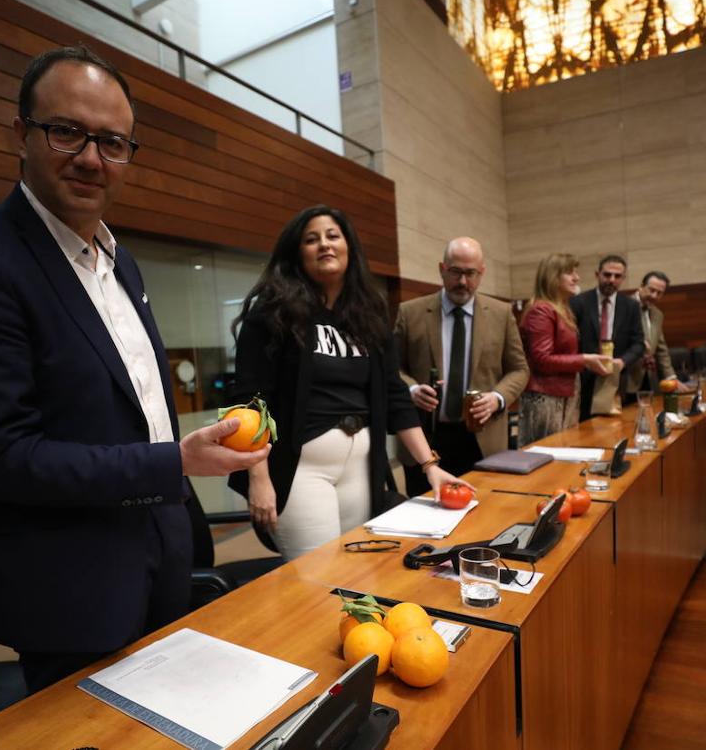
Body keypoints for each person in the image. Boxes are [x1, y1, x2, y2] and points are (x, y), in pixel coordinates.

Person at [0, 46, 269, 693]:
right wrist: (173, 463)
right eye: (67, 131)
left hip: (163, 551)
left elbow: (133, 405)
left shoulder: (120, 264)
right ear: (21, 133)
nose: (91, 158)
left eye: (112, 142)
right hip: (70, 588)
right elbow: (0, 457)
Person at [228, 206, 471, 560]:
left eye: (332, 236)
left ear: (349, 247)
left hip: (361, 468)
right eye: (312, 239)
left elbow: (395, 396)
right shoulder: (272, 312)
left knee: (357, 569)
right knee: (319, 578)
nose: (324, 244)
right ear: (297, 252)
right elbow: (249, 402)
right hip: (300, 471)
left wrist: (430, 466)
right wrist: (259, 479)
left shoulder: (368, 314)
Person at [393, 237, 529, 494]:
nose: (463, 282)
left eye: (471, 273)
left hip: (482, 438)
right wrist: (411, 390)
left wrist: (498, 398)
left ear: (482, 273)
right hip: (425, 439)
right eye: (456, 272)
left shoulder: (501, 314)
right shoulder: (410, 313)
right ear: (442, 269)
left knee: (486, 514)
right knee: (425, 519)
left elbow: (519, 369)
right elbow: (391, 368)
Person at [517, 254, 612, 445]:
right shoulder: (541, 310)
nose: (576, 278)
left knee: (563, 455)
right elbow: (541, 359)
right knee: (546, 458)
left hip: (563, 394)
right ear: (553, 277)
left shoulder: (561, 309)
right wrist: (584, 360)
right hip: (546, 397)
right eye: (570, 273)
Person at [570, 255, 645, 421]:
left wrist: (622, 361)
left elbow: (639, 343)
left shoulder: (631, 306)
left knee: (615, 428)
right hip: (585, 378)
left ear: (623, 279)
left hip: (617, 379)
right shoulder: (578, 302)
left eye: (617, 276)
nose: (611, 280)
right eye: (607, 275)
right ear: (597, 275)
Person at [622, 270, 693, 400]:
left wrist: (672, 378)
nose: (654, 296)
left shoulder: (657, 314)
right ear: (641, 286)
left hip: (645, 378)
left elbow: (661, 350)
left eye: (659, 293)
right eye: (651, 290)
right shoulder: (623, 306)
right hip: (624, 378)